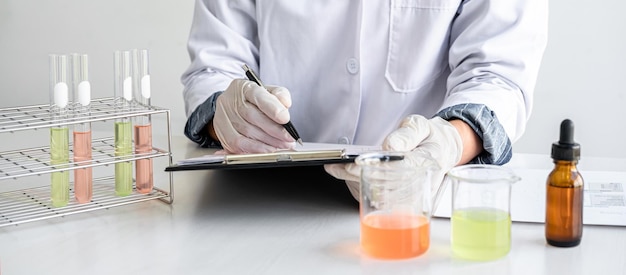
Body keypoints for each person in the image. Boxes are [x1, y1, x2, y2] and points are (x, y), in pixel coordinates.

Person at [181, 1, 548, 200]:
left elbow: (498, 76)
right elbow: (214, 66)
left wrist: (448, 143)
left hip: (422, 204)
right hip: (260, 202)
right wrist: (226, 115)